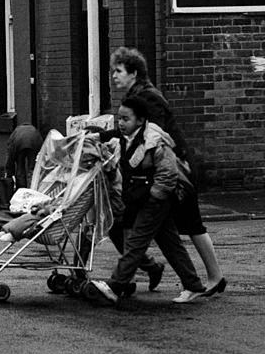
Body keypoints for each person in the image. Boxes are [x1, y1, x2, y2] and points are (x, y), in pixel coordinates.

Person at [110, 46, 226, 295]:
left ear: (134, 73)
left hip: (175, 171)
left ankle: (214, 276)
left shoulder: (148, 97)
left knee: (190, 224)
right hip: (162, 173)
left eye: (118, 71)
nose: (114, 76)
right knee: (165, 230)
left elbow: (153, 135)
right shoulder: (136, 95)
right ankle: (188, 278)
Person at [87, 96, 207, 305]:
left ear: (140, 120)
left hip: (154, 200)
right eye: (119, 119)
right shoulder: (128, 137)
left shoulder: (154, 140)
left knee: (136, 242)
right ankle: (193, 285)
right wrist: (90, 138)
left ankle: (116, 285)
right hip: (140, 198)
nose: (121, 123)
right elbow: (113, 137)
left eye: (126, 119)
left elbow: (168, 172)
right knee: (170, 243)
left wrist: (154, 197)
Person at [6, 123, 43, 190]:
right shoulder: (34, 130)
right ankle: (32, 188)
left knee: (20, 166)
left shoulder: (15, 133)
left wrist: (9, 172)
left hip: (19, 143)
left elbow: (10, 155)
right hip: (34, 142)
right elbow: (40, 146)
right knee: (32, 168)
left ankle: (21, 189)